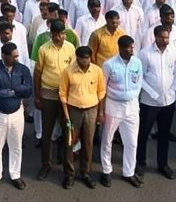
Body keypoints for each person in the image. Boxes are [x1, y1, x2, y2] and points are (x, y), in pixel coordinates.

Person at [0, 41, 31, 191]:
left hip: (16, 113)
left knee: (16, 147)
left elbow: (28, 90)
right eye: (13, 56)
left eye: (17, 56)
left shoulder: (23, 69)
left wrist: (11, 90)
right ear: (4, 56)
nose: (16, 59)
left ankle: (15, 175)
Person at [136, 26, 176, 180]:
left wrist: (171, 91)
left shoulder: (174, 52)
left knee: (164, 133)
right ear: (155, 37)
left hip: (168, 102)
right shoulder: (145, 54)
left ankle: (163, 164)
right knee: (144, 133)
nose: (165, 40)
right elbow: (140, 77)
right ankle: (140, 162)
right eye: (162, 37)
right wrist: (153, 94)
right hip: (149, 102)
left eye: (167, 37)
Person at [99, 35, 144, 188]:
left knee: (131, 142)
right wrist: (101, 111)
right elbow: (103, 89)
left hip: (131, 107)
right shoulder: (109, 65)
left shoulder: (137, 62)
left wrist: (131, 97)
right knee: (107, 140)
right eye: (129, 48)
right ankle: (106, 170)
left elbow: (139, 82)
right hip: (113, 106)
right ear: (121, 48)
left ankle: (129, 172)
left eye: (133, 47)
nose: (132, 50)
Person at [33, 19, 75, 182]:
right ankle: (46, 165)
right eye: (55, 34)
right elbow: (37, 74)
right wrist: (37, 96)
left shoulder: (71, 48)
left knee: (67, 133)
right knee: (47, 132)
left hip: (66, 97)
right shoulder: (44, 49)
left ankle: (68, 170)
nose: (58, 37)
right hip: (48, 94)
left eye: (61, 34)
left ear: (65, 33)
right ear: (51, 34)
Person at [60, 45, 105, 189]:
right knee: (70, 142)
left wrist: (100, 112)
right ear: (77, 57)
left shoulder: (97, 70)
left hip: (91, 110)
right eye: (82, 59)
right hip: (73, 110)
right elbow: (62, 94)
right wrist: (66, 117)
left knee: (88, 142)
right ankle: (69, 174)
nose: (85, 61)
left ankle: (85, 172)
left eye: (87, 58)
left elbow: (101, 91)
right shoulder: (68, 71)